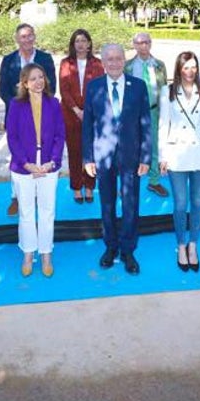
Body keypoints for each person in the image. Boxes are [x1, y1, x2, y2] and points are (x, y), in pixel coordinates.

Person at [83, 43, 151, 275]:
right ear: (103, 62)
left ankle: (128, 250)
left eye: (118, 58)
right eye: (109, 59)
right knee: (108, 203)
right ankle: (110, 247)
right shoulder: (93, 87)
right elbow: (87, 126)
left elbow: (145, 123)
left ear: (125, 60)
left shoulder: (139, 87)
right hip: (103, 156)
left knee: (131, 203)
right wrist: (87, 158)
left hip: (131, 155)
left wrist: (146, 156)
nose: (114, 63)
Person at [158, 51, 200, 272]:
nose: (190, 72)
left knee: (198, 202)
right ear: (178, 69)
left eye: (193, 67)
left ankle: (193, 244)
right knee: (180, 204)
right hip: (176, 153)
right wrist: (163, 155)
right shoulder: (168, 91)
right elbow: (164, 124)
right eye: (186, 68)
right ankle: (181, 245)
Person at [5, 64, 66, 277]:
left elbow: (60, 135)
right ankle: (28, 253)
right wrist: (26, 163)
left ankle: (46, 252)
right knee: (27, 212)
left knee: (48, 211)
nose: (39, 81)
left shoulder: (54, 103)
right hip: (24, 167)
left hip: (49, 165)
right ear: (24, 83)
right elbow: (12, 137)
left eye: (41, 77)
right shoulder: (15, 105)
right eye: (33, 78)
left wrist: (53, 161)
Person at [0, 23, 57, 217]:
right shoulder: (8, 60)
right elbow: (3, 90)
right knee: (17, 155)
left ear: (34, 37)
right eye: (23, 36)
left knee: (41, 155)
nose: (27, 39)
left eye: (30, 35)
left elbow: (52, 87)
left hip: (42, 116)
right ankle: (16, 197)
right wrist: (21, 107)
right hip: (17, 118)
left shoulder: (45, 59)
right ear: (17, 39)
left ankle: (38, 194)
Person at [59, 28, 104, 204]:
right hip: (71, 114)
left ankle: (90, 187)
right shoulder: (65, 63)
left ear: (89, 44)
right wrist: (77, 110)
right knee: (74, 152)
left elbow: (100, 89)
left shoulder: (98, 64)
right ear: (73, 44)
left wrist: (89, 111)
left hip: (92, 115)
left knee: (91, 152)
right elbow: (64, 89)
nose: (80, 44)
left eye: (84, 41)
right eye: (77, 41)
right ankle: (77, 188)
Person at [125, 31, 168, 197]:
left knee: (155, 146)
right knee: (131, 147)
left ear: (151, 44)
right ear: (134, 45)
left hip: (154, 110)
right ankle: (129, 183)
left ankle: (154, 181)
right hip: (133, 114)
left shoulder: (159, 65)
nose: (143, 46)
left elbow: (164, 88)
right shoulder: (128, 66)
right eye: (139, 42)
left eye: (146, 42)